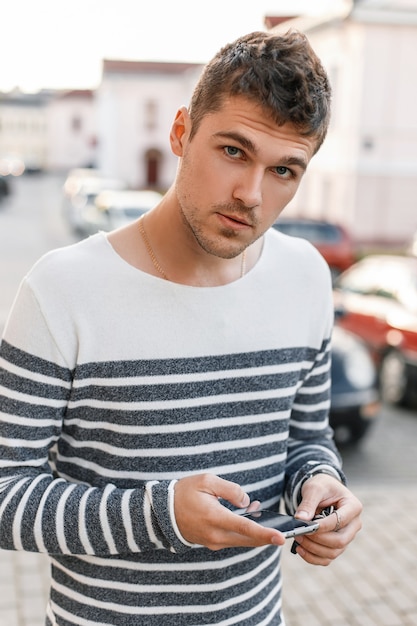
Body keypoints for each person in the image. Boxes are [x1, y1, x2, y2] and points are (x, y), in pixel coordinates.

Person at [0, 29, 362, 626]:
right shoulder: (62, 288)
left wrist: (320, 484)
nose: (251, 194)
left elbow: (306, 439)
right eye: (233, 151)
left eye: (285, 170)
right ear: (180, 133)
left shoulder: (307, 279)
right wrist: (159, 514)